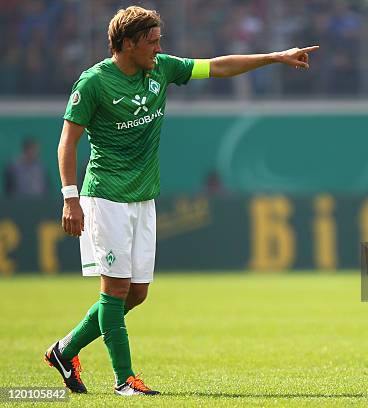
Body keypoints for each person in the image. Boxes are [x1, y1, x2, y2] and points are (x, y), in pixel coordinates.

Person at [45, 6, 318, 396]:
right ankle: (125, 381)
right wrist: (69, 198)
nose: (159, 47)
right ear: (127, 44)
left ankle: (65, 349)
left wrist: (274, 57)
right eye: (152, 41)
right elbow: (67, 141)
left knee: (137, 293)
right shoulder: (93, 83)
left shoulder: (162, 69)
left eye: (160, 40)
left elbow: (219, 67)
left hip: (143, 196)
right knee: (115, 290)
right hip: (104, 196)